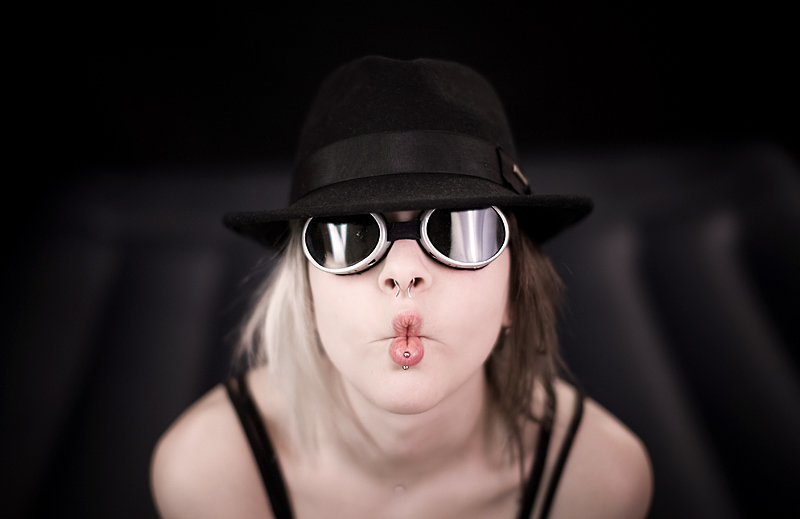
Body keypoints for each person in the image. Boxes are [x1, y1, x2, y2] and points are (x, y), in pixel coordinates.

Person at [150, 56, 653, 519]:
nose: (404, 271)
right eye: (352, 234)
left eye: (458, 229)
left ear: (515, 292)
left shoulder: (596, 481)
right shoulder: (210, 473)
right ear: (305, 294)